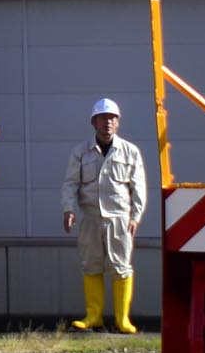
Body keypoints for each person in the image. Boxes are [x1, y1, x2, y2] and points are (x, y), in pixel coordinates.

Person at [61, 97, 147, 333]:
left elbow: (138, 186)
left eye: (111, 118)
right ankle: (93, 316)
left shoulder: (130, 152)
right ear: (94, 122)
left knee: (121, 267)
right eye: (102, 118)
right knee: (91, 265)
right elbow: (70, 183)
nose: (107, 122)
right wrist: (69, 209)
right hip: (90, 217)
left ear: (118, 122)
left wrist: (135, 216)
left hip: (119, 218)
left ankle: (122, 320)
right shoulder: (80, 152)